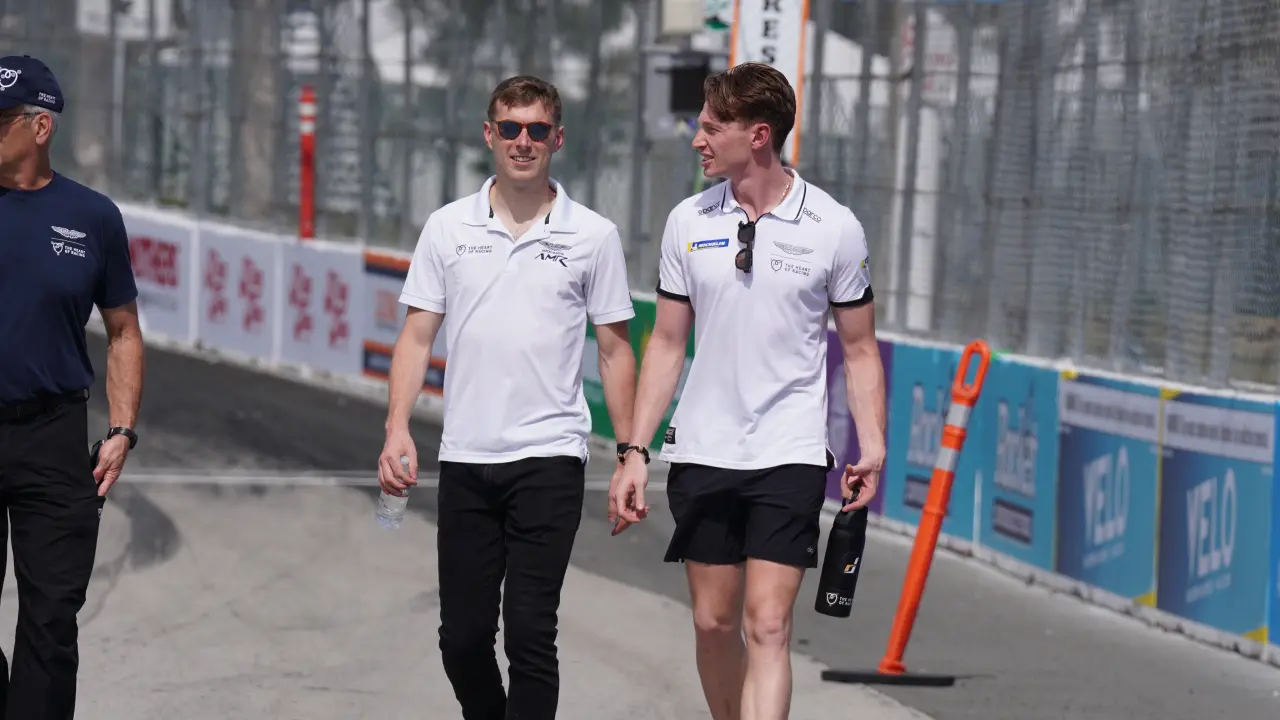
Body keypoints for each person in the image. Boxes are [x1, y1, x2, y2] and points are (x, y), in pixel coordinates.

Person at [610, 62, 887, 720]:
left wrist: (870, 446)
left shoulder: (834, 227)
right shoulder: (687, 221)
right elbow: (669, 344)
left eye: (711, 128)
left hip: (789, 452)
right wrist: (635, 451)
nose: (697, 139)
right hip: (704, 448)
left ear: (758, 135)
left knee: (768, 626)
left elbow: (859, 349)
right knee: (712, 623)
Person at [377, 74, 637, 719]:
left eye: (538, 130)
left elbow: (615, 350)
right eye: (512, 129)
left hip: (550, 458)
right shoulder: (445, 227)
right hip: (466, 456)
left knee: (529, 635)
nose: (525, 142)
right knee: (462, 641)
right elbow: (415, 338)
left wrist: (631, 454)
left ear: (558, 139)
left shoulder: (594, 236)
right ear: (490, 135)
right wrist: (397, 429)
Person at [0, 54, 144, 715]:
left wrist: (120, 429)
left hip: (54, 437)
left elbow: (122, 331)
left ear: (39, 126)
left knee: (52, 617)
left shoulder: (92, 218)